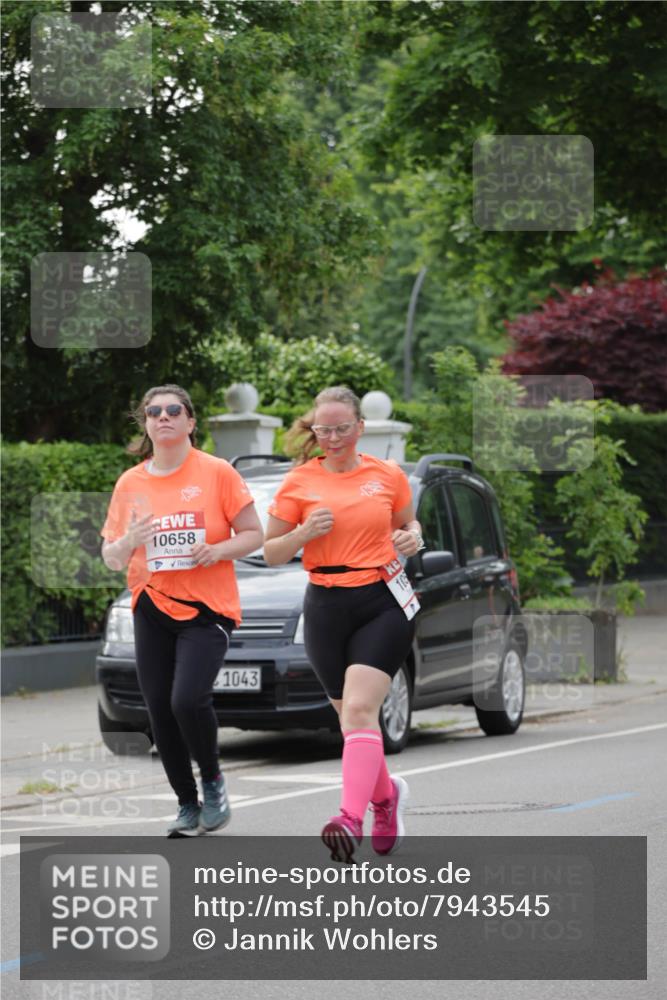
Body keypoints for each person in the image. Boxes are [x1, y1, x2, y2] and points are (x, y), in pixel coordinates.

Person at [263, 386, 423, 862]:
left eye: (340, 428)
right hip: (326, 605)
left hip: (382, 600)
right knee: (352, 719)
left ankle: (349, 818)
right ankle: (385, 799)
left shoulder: (388, 475)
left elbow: (410, 526)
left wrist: (411, 538)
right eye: (322, 429)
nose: (331, 437)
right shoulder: (298, 482)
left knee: (357, 711)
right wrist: (301, 533)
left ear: (360, 428)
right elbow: (272, 553)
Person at [101, 384, 263, 837]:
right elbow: (111, 557)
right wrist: (129, 541)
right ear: (146, 423)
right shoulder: (130, 483)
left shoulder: (216, 473)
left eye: (174, 410)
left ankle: (212, 781)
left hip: (206, 609)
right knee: (159, 710)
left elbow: (255, 533)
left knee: (186, 698)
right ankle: (187, 804)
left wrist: (216, 549)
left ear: (191, 422)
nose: (164, 417)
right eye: (154, 411)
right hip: (151, 605)